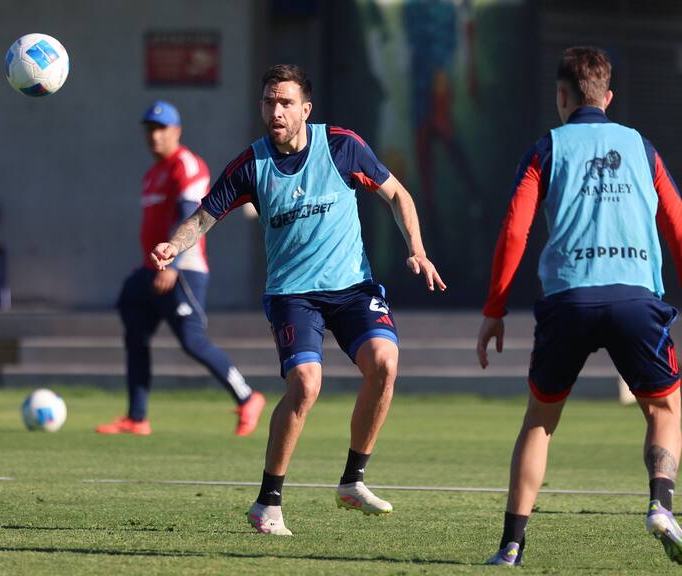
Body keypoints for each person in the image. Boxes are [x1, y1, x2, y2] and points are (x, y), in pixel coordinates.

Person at [151, 65, 445, 535]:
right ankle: (268, 503)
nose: (276, 111)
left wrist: (417, 250)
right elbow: (204, 216)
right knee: (306, 384)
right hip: (293, 295)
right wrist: (175, 244)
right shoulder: (250, 164)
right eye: (269, 102)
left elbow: (397, 194)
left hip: (352, 289)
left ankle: (353, 480)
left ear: (306, 110)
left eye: (286, 102)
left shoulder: (343, 146)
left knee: (386, 363)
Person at [476, 46, 682, 566]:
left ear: (562, 96)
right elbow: (677, 224)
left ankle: (511, 546)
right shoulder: (641, 147)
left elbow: (515, 230)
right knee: (663, 409)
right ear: (607, 98)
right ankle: (660, 503)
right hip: (636, 299)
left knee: (540, 422)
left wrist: (496, 307)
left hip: (568, 299)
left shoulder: (547, 147)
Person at [96, 100, 266, 437]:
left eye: (161, 129)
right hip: (151, 269)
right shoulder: (152, 173)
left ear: (177, 131)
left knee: (192, 341)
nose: (154, 136)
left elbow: (191, 216)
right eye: (150, 130)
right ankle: (137, 417)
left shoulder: (185, 165)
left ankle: (247, 397)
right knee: (134, 328)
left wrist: (173, 265)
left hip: (181, 270)